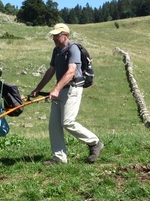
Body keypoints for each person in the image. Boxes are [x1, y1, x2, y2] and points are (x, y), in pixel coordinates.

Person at [31, 23, 103, 165]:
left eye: (57, 35)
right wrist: (37, 89)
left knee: (68, 122)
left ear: (66, 35)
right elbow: (51, 71)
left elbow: (71, 72)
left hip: (72, 89)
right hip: (61, 89)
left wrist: (56, 89)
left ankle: (94, 142)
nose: (54, 38)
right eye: (54, 36)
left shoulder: (73, 48)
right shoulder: (56, 51)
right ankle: (59, 158)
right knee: (54, 125)